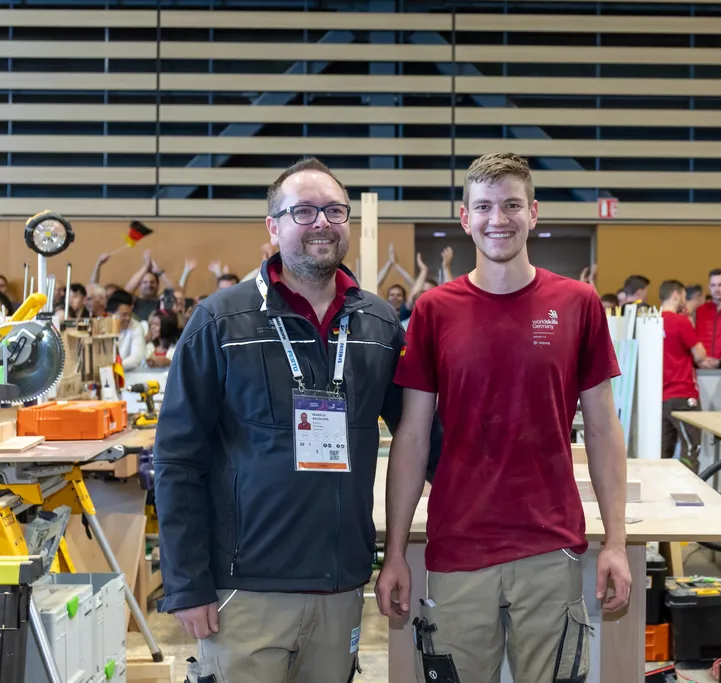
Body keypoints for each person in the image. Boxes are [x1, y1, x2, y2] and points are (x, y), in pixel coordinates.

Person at [153, 156, 440, 683]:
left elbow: (423, 439)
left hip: (339, 585)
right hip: (246, 588)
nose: (322, 224)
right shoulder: (221, 322)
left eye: (334, 211)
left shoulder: (378, 325)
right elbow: (176, 459)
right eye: (304, 212)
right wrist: (187, 583)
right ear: (274, 225)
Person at [376, 152, 631, 683]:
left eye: (512, 204)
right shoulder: (433, 311)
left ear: (533, 213)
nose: (499, 219)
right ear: (465, 218)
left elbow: (605, 430)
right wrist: (394, 552)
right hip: (457, 549)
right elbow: (412, 437)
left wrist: (616, 543)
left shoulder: (578, 303)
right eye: (485, 206)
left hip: (550, 545)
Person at [659, 279, 707, 472]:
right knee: (691, 449)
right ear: (676, 295)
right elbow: (700, 354)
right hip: (683, 393)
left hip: (660, 397)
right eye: (685, 297)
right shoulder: (681, 322)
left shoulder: (650, 321)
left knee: (662, 452)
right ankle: (689, 494)